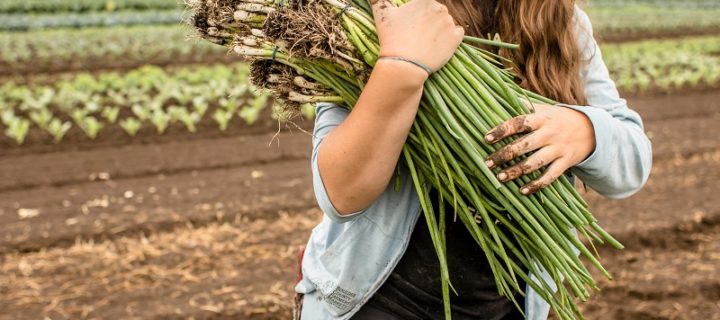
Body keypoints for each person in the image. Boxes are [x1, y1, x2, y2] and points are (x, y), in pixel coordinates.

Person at [294, 0, 653, 319]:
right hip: (377, 303)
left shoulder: (563, 21)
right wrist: (400, 68)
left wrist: (584, 130)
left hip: (508, 306)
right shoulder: (385, 12)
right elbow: (340, 195)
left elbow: (632, 164)